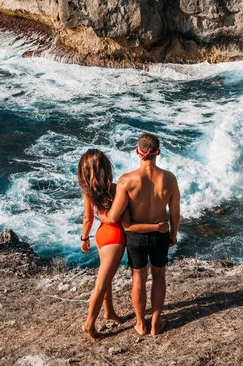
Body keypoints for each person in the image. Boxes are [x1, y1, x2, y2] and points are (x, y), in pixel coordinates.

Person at [78, 148, 169, 341]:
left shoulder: (88, 192)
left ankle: (109, 311)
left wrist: (84, 238)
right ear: (105, 168)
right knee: (101, 283)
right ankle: (89, 325)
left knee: (106, 277)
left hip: (101, 235)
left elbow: (88, 219)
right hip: (115, 238)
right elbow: (122, 218)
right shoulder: (115, 187)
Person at [98, 133, 180, 336]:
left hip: (135, 236)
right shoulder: (169, 179)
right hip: (160, 232)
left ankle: (140, 324)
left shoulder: (126, 181)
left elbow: (114, 216)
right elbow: (175, 211)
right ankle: (155, 324)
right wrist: (173, 234)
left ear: (138, 152)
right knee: (159, 275)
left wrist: (100, 216)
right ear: (158, 152)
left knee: (138, 276)